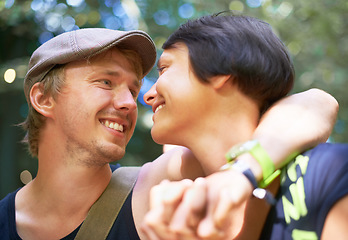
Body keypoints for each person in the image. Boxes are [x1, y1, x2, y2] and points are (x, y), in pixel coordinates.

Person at [0, 26, 337, 240]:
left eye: (132, 90)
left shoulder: (156, 185)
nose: (131, 103)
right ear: (43, 99)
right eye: (105, 82)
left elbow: (315, 103)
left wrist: (242, 173)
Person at [141, 14, 347, 240]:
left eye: (164, 68)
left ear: (221, 70)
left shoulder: (325, 175)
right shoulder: (169, 195)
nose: (147, 96)